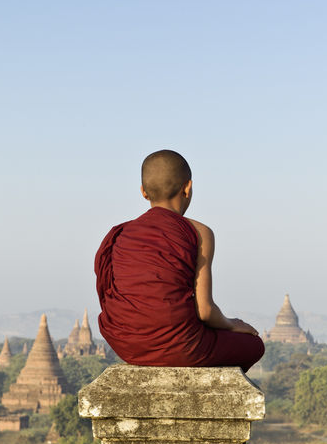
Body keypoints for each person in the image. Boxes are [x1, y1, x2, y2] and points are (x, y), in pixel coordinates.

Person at [94, 150, 265, 371]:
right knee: (254, 345)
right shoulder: (199, 232)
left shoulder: (121, 234)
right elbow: (205, 311)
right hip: (183, 346)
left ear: (144, 192)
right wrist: (232, 324)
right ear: (188, 188)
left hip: (127, 346)